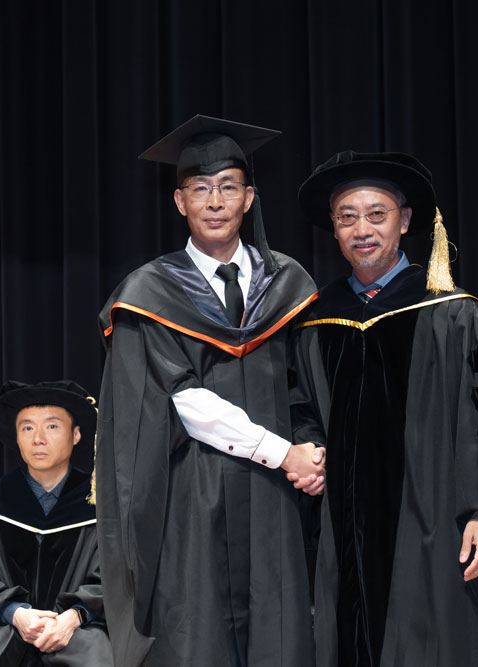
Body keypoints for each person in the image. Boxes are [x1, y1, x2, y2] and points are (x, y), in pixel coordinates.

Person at [292, 151, 478, 666]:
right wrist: (306, 446)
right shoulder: (313, 324)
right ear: (334, 229)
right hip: (341, 531)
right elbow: (300, 407)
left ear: (405, 220)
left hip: (435, 523)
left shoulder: (455, 315)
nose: (362, 230)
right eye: (347, 217)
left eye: (377, 214)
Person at [96, 115, 323, 667]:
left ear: (249, 197)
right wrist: (283, 452)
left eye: (227, 186)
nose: (215, 201)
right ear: (180, 202)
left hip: (275, 497)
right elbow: (183, 399)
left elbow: (308, 386)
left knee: (279, 634)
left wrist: (314, 450)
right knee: (201, 637)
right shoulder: (150, 293)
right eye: (200, 188)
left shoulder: (288, 283)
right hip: (193, 492)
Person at [0, 380, 113, 665]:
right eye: (27, 428)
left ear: (75, 435)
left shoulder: (104, 508)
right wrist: (15, 613)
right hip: (2, 628)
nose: (38, 438)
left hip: (80, 630)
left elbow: (116, 580)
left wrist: (74, 617)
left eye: (52, 426)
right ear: (17, 436)